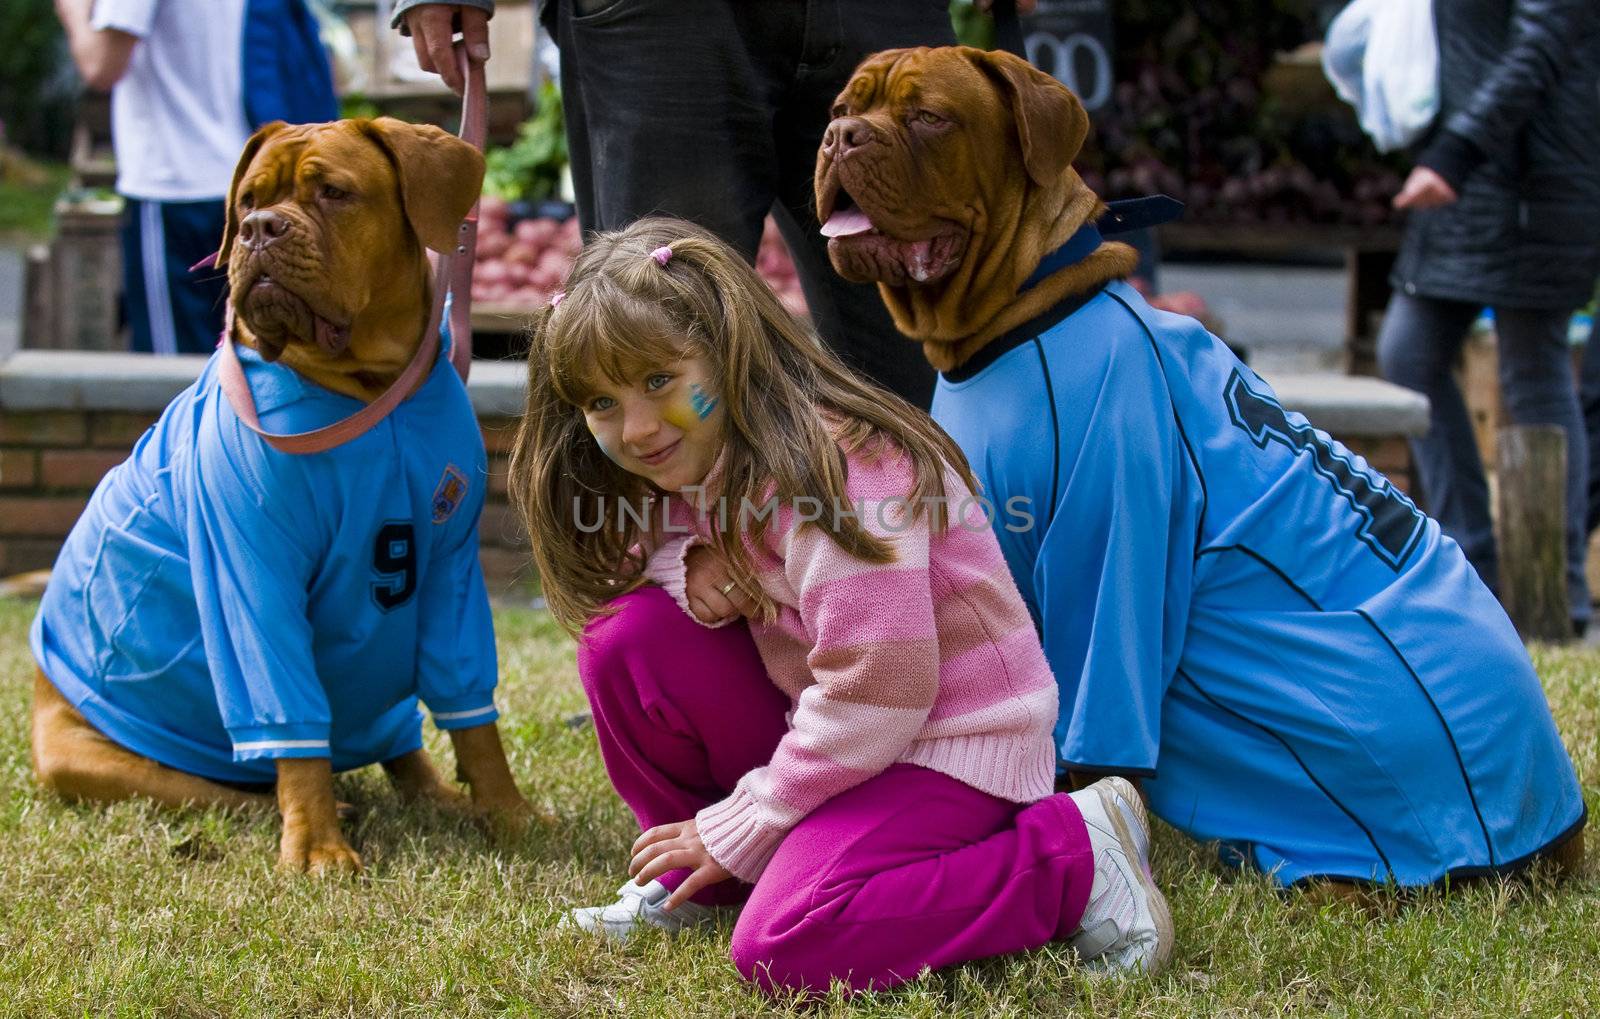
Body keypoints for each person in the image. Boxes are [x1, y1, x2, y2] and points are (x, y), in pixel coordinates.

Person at [507, 217, 1172, 994]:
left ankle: (1071, 856)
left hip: (945, 746)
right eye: (601, 402)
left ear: (727, 351)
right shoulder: (707, 451)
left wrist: (751, 815)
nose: (639, 426)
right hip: (848, 735)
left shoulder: (838, 467)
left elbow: (880, 688)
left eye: (658, 381)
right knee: (624, 639)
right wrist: (684, 558)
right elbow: (629, 549)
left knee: (784, 943)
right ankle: (710, 882)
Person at [394, 0, 974, 408]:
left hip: (887, 10)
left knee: (924, 365)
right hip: (661, 19)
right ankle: (663, 582)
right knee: (653, 351)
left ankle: (935, 575)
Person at [1375, 0, 1600, 635]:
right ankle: (1472, 571)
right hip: (1475, 183)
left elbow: (1542, 46)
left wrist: (1455, 152)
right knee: (1408, 355)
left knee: (1534, 368)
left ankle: (1552, 593)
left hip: (1535, 178)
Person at [55, 0, 337, 356]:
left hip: (173, 186)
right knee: (255, 362)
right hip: (248, 186)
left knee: (170, 374)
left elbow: (101, 66)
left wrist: (73, 10)